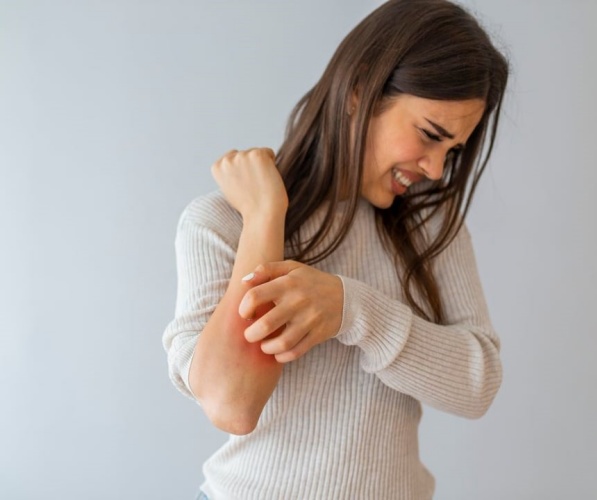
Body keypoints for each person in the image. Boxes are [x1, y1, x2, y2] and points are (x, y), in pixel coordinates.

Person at [163, 0, 509, 498]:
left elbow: (478, 385)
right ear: (359, 90)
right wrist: (265, 216)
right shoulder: (221, 223)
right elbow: (231, 404)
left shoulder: (430, 227)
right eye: (430, 135)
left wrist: (353, 310)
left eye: (451, 150)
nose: (436, 169)